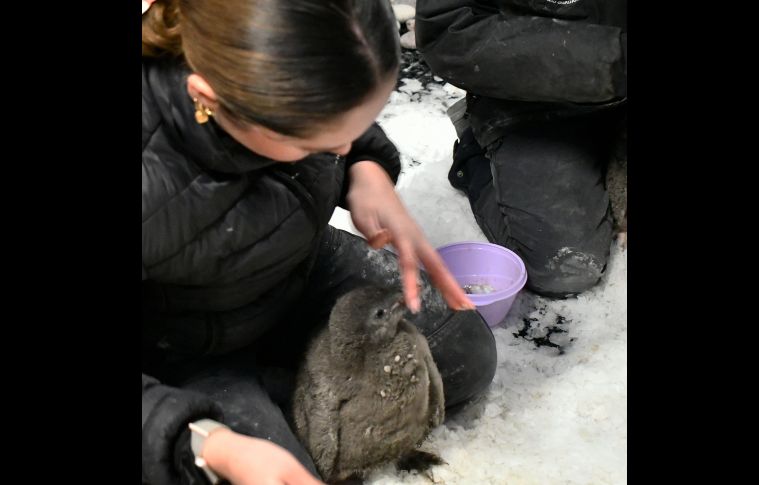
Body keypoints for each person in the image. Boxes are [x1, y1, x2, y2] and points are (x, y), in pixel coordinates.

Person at [141, 1, 497, 484]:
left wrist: (367, 170)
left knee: (466, 356)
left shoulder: (288, 76)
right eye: (317, 145)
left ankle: (286, 392)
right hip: (182, 350)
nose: (339, 149)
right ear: (211, 99)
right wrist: (202, 441)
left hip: (295, 267)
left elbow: (335, 115)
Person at [416, 0, 628, 297]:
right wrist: (614, 59)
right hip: (532, 94)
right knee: (566, 268)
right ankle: (476, 155)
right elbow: (448, 32)